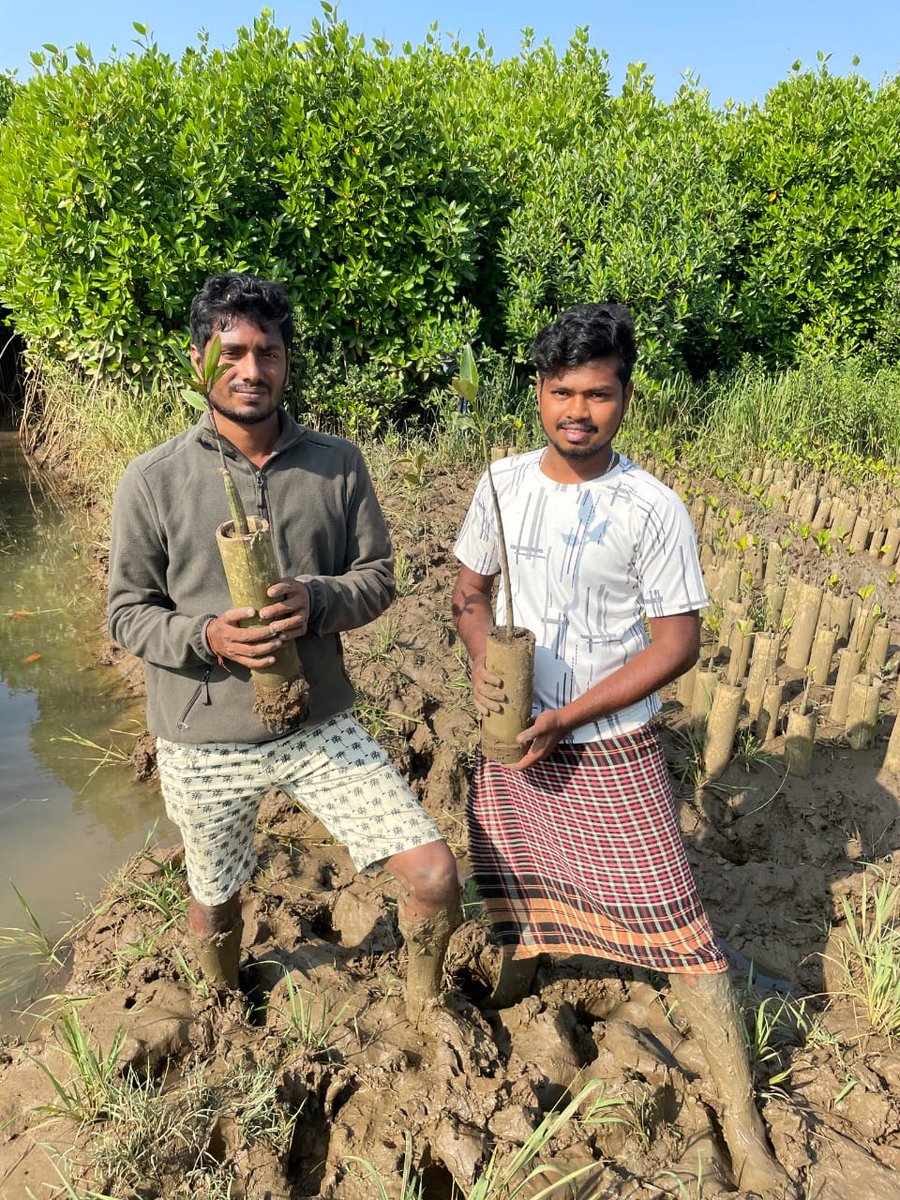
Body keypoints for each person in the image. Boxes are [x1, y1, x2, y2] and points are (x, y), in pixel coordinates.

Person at [451, 303, 792, 1195]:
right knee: (515, 876)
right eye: (561, 391)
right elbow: (467, 592)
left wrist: (566, 717)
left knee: (682, 934)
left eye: (597, 394)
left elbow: (676, 643)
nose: (577, 411)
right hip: (511, 741)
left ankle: (743, 1123)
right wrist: (490, 668)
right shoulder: (500, 486)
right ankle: (521, 979)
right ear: (537, 391)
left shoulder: (651, 507)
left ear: (626, 396)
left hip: (607, 746)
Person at [108, 272, 458, 1023]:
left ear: (287, 362)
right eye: (231, 351)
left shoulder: (337, 464)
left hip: (318, 724)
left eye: (267, 352)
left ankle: (429, 1015)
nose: (250, 370)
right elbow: (127, 615)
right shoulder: (153, 480)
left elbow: (379, 578)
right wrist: (206, 636)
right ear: (199, 358)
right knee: (213, 895)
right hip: (203, 738)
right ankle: (224, 1007)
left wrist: (319, 600)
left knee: (432, 873)